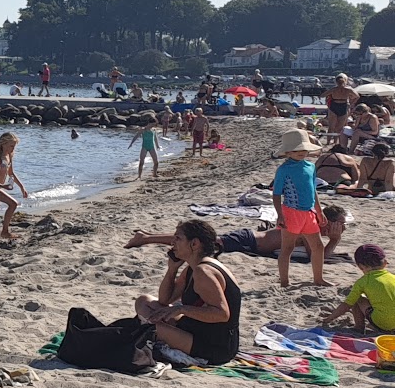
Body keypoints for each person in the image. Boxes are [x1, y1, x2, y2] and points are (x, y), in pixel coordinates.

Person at [133, 219, 242, 366]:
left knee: (151, 329)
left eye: (178, 238)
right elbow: (165, 300)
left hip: (216, 345)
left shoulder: (203, 272)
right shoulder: (193, 268)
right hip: (197, 328)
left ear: (194, 244)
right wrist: (172, 269)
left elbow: (222, 314)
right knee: (144, 301)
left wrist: (182, 309)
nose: (172, 243)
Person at [124, 203, 347, 261]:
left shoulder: (312, 228)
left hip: (250, 244)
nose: (343, 228)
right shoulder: (312, 229)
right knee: (199, 242)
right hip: (248, 240)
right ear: (329, 222)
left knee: (200, 242)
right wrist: (334, 241)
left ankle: (146, 237)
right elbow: (316, 256)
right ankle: (145, 238)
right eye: (341, 224)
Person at [271, 128, 326, 286]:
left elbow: (312, 189)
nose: (301, 152)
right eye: (296, 149)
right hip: (291, 212)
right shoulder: (283, 170)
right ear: (287, 152)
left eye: (303, 148)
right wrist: (280, 215)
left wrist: (319, 210)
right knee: (287, 248)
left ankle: (318, 279)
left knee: (318, 246)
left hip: (309, 212)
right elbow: (276, 194)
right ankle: (284, 281)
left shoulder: (310, 166)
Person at [320, 244, 395, 335]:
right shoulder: (392, 277)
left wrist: (329, 318)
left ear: (360, 266)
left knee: (357, 298)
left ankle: (359, 327)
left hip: (383, 323)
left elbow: (347, 305)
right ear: (384, 263)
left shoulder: (363, 281)